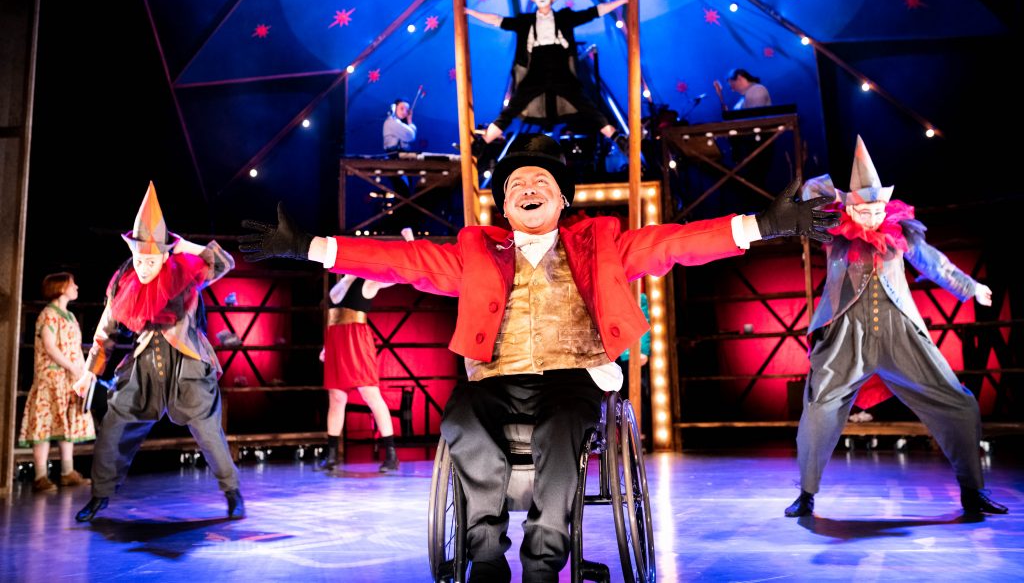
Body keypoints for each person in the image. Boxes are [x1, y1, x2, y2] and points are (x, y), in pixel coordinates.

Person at [240, 134, 837, 581]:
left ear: (561, 200)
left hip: (572, 375)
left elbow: (673, 244)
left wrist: (759, 225)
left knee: (562, 427)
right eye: (517, 184)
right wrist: (307, 247)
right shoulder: (477, 250)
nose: (528, 189)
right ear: (503, 204)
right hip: (495, 378)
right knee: (463, 417)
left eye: (540, 184)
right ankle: (485, 557)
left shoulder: (600, 241)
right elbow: (404, 264)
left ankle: (545, 560)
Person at [784, 136, 1007, 518]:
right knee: (819, 409)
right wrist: (839, 197)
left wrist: (970, 288)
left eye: (876, 209)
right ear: (851, 208)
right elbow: (810, 191)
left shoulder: (900, 233)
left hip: (900, 333)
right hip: (845, 336)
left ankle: (973, 490)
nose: (870, 217)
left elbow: (933, 262)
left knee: (959, 402)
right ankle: (806, 494)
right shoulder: (834, 234)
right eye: (863, 210)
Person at [72, 182, 244, 522]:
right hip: (144, 365)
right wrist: (90, 372)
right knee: (114, 425)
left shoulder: (185, 272)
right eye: (138, 259)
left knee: (208, 432)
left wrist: (183, 245)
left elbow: (224, 263)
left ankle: (232, 492)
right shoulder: (125, 280)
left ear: (165, 255)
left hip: (187, 365)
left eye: (151, 260)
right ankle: (100, 495)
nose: (143, 267)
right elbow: (106, 329)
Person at [466, 0, 631, 154]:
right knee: (512, 107)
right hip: (537, 68)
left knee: (586, 105)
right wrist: (469, 11)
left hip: (560, 68)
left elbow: (594, 12)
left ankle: (617, 138)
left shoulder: (564, 17)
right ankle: (481, 144)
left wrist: (623, 1)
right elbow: (497, 21)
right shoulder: (526, 20)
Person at [316, 227, 415, 474]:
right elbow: (334, 318)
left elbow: (400, 275)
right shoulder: (339, 284)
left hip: (356, 341)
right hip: (337, 342)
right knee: (336, 398)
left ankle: (391, 455)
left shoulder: (368, 280)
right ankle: (331, 456)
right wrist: (326, 347)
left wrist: (410, 243)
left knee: (371, 395)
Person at [18, 272, 96, 492]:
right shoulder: (48, 315)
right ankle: (40, 475)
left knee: (65, 423)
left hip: (68, 379)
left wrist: (85, 371)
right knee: (44, 424)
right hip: (50, 378)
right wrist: (72, 367)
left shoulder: (69, 317)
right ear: (61, 288)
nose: (76, 287)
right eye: (72, 284)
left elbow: (75, 348)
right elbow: (50, 346)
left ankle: (67, 471)